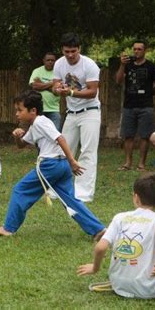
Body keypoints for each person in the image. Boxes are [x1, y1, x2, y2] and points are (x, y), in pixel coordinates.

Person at [0, 90, 105, 238]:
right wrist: (18, 136)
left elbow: (60, 138)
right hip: (61, 167)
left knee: (20, 190)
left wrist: (72, 160)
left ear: (33, 110)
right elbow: (22, 145)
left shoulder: (41, 122)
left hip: (51, 165)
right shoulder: (35, 125)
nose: (17, 114)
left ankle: (8, 228)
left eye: (20, 110)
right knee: (70, 200)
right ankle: (98, 230)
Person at [77, 173, 155, 303]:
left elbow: (100, 247)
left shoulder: (119, 217)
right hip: (149, 289)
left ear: (136, 197)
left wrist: (95, 268)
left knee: (152, 250)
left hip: (119, 285)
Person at [52, 33, 101, 202]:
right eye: (67, 51)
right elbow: (55, 86)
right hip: (71, 113)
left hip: (90, 111)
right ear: (62, 50)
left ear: (79, 49)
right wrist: (57, 89)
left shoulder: (89, 65)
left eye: (73, 51)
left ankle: (83, 193)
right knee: (63, 150)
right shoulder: (59, 63)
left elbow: (93, 91)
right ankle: (58, 189)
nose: (70, 55)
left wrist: (71, 92)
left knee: (87, 151)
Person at [115, 40, 155, 171]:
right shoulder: (127, 65)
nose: (136, 51)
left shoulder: (152, 67)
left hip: (146, 106)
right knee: (128, 135)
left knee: (144, 136)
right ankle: (127, 163)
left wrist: (150, 93)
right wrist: (122, 65)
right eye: (134, 49)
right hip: (129, 105)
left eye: (139, 49)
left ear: (145, 51)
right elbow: (118, 80)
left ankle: (141, 164)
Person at [29, 52, 61, 130]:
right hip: (38, 108)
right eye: (48, 60)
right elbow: (34, 86)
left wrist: (41, 84)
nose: (50, 62)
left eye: (52, 60)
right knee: (38, 133)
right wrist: (52, 83)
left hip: (54, 109)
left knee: (55, 133)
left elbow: (57, 90)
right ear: (44, 60)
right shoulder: (37, 71)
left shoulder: (58, 72)